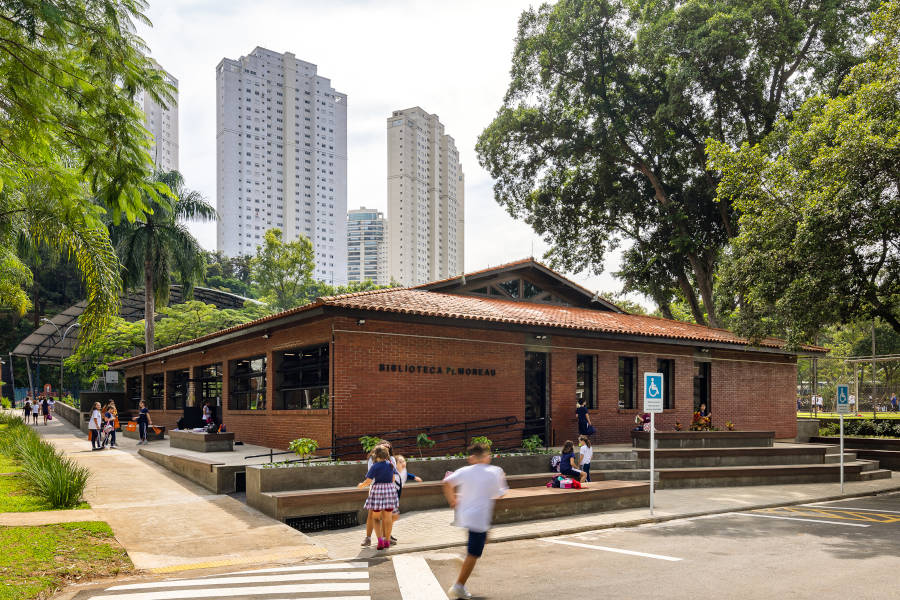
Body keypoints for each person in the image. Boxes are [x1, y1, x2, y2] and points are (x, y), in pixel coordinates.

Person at [442, 442, 508, 600]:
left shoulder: (464, 471)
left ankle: (465, 561)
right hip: (479, 518)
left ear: (473, 457)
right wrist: (501, 479)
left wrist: (452, 500)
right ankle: (459, 586)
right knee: (474, 553)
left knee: (484, 539)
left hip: (465, 516)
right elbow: (500, 494)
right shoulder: (494, 471)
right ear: (485, 456)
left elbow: (446, 483)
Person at [357, 445, 399, 551]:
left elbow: (369, 481)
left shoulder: (375, 466)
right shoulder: (390, 465)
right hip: (389, 491)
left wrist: (361, 485)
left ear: (376, 455)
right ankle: (387, 541)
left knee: (376, 518)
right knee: (388, 518)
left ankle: (380, 541)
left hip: (378, 492)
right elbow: (393, 479)